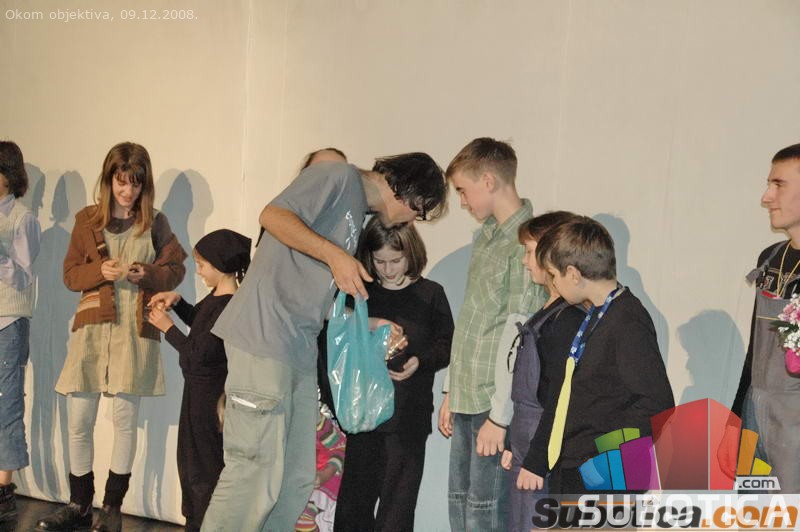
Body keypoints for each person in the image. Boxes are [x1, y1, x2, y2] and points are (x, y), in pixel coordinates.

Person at [202, 152, 447, 531]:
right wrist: (335, 256)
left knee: (296, 479)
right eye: (420, 210)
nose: (413, 220)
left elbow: (310, 292)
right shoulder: (338, 175)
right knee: (252, 472)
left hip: (296, 350)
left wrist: (366, 322)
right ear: (406, 191)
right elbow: (273, 216)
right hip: (265, 339)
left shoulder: (356, 215)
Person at [37, 142, 187, 532]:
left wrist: (145, 274)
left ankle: (112, 508)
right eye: (121, 182)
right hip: (91, 331)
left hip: (134, 332)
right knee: (79, 420)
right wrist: (98, 272)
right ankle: (78, 504)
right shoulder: (87, 220)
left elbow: (175, 270)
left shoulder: (155, 222)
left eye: (135, 184)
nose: (128, 191)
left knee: (124, 421)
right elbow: (70, 275)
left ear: (144, 185)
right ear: (108, 180)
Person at [516, 216, 674, 494]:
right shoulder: (598, 313)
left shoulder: (627, 320)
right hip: (575, 464)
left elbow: (657, 404)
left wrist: (603, 454)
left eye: (554, 275)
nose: (554, 284)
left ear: (573, 274)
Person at [438, 137, 546, 531]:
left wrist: (500, 417)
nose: (462, 202)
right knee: (460, 503)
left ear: (488, 181)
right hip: (468, 392)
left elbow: (520, 333)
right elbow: (473, 319)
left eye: (463, 191)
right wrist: (451, 389)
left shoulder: (526, 245)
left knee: (485, 512)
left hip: (493, 400)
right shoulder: (486, 236)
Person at [334, 218, 454, 531]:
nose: (388, 269)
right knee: (353, 507)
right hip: (364, 415)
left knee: (398, 510)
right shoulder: (360, 292)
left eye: (396, 260)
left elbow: (447, 345)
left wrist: (419, 362)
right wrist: (372, 323)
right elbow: (331, 324)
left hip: (408, 416)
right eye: (380, 261)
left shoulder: (431, 294)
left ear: (411, 253)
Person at [147, 229, 252, 531]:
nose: (199, 271)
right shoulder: (218, 299)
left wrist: (167, 328)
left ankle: (204, 524)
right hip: (197, 398)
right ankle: (196, 521)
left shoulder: (229, 304)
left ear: (220, 265)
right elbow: (201, 322)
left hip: (208, 402)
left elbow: (197, 355)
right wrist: (178, 303)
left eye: (202, 265)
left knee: (202, 469)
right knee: (191, 464)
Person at [499, 211, 583, 531]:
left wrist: (537, 460)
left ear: (553, 255)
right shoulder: (546, 313)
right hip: (525, 447)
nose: (524, 261)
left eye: (530, 251)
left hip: (542, 458)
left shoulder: (568, 319)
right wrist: (512, 442)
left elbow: (559, 399)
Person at [727, 142, 800, 492]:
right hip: (755, 413)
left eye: (778, 185)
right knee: (752, 512)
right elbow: (756, 349)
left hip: (794, 422)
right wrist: (735, 420)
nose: (766, 197)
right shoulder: (769, 258)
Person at [0, 141, 41, 523]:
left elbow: (24, 275)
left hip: (8, 321)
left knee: (6, 403)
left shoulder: (23, 217)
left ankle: (4, 489)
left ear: (8, 174)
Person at [256, 148, 347, 247]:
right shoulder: (281, 213)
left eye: (338, 172)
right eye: (319, 170)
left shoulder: (350, 228)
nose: (327, 178)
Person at [296, 410, 347, 532]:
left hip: (324, 484)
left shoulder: (315, 420)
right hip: (296, 487)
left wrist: (326, 473)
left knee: (302, 520)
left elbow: (340, 446)